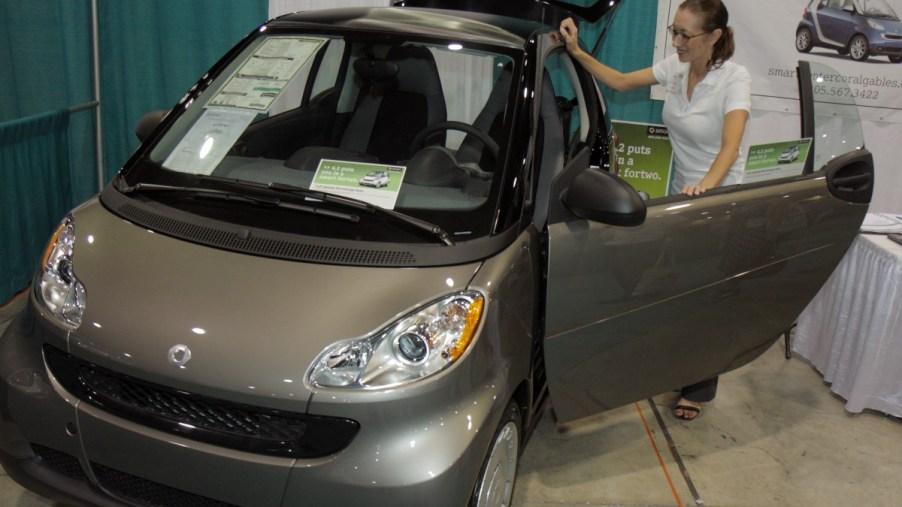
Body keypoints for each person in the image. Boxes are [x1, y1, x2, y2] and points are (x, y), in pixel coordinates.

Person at [559, 0, 751, 419]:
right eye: (674, 32)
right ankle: (675, 367)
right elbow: (621, 81)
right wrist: (577, 52)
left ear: (714, 36)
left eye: (686, 35)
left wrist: (707, 187)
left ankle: (697, 389)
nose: (677, 42)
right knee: (678, 293)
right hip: (684, 196)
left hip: (719, 198)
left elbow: (731, 147)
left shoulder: (734, 79)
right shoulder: (676, 68)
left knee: (704, 300)